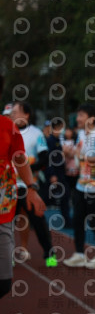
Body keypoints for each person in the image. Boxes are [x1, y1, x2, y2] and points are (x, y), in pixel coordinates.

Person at [1, 112, 46, 298]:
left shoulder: (8, 127)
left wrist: (31, 188)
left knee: (3, 283)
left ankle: (47, 253)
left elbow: (20, 159)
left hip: (3, 208)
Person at [63, 104, 95, 269]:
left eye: (81, 115)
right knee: (77, 220)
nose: (78, 119)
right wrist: (68, 152)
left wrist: (82, 156)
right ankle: (79, 254)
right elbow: (77, 156)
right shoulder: (82, 134)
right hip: (80, 185)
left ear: (91, 118)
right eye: (78, 115)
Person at [9, 102, 56, 267]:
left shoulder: (36, 133)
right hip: (9, 187)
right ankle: (7, 256)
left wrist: (26, 169)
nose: (12, 115)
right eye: (11, 113)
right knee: (7, 223)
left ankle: (50, 256)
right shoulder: (8, 131)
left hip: (30, 187)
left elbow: (44, 159)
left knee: (38, 221)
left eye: (15, 112)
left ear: (26, 114)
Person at [45, 118, 72, 227]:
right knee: (47, 197)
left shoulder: (58, 140)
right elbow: (48, 159)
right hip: (55, 173)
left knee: (64, 197)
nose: (61, 131)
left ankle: (67, 220)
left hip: (61, 172)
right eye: (60, 128)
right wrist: (52, 174)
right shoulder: (50, 141)